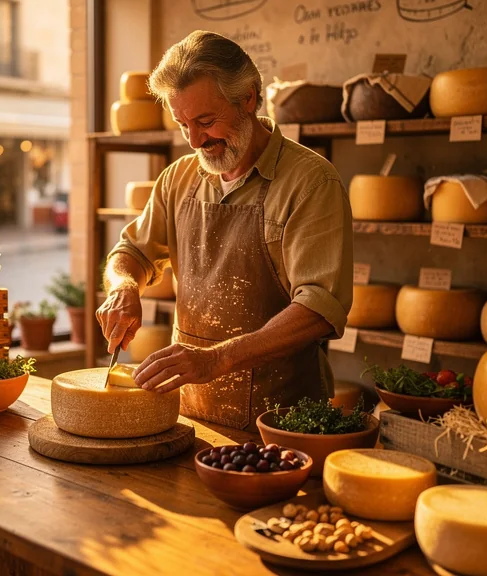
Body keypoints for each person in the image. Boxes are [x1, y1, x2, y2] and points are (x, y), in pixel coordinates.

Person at [96, 31, 353, 432]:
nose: (196, 140)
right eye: (183, 125)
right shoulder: (177, 179)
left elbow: (319, 307)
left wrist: (216, 359)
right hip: (191, 410)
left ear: (248, 98)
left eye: (205, 121)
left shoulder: (312, 182)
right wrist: (123, 287)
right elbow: (130, 250)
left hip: (281, 418)